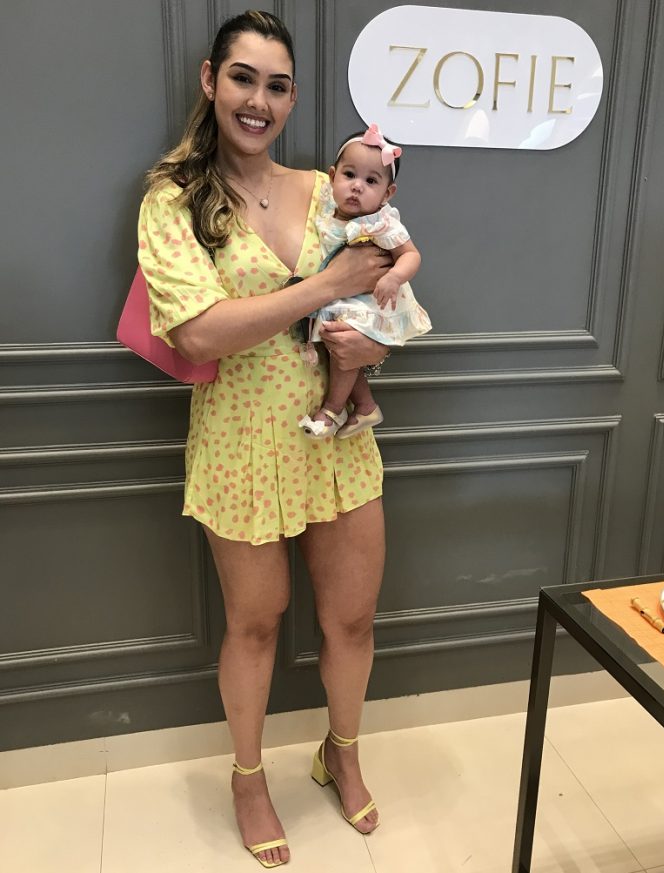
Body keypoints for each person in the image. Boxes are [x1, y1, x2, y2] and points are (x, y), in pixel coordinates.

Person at [137, 10, 390, 870]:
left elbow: (377, 290)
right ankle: (248, 779)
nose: (259, 100)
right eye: (243, 78)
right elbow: (199, 331)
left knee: (351, 616)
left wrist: (374, 345)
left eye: (277, 86)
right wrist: (323, 285)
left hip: (337, 435)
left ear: (292, 98)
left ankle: (341, 753)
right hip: (240, 441)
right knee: (254, 623)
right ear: (211, 80)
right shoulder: (172, 201)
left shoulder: (328, 187)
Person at [299, 125, 432, 439]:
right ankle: (365, 405)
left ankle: (331, 410)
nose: (357, 187)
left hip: (370, 301)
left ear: (387, 194)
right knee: (340, 350)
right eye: (349, 175)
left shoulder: (380, 222)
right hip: (338, 296)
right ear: (332, 177)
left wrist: (394, 276)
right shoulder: (326, 209)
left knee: (344, 345)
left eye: (371, 181)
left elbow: (411, 255)